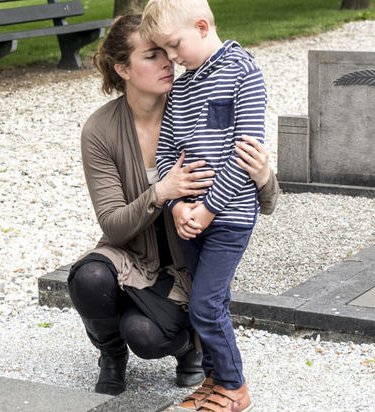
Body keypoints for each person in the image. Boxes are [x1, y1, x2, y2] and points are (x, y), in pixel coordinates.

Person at [70, 14, 279, 400]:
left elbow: (266, 202)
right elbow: (113, 226)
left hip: (184, 262)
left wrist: (264, 174)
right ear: (123, 69)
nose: (168, 61)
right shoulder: (100, 129)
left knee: (145, 334)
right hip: (130, 254)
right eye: (152, 55)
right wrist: (161, 192)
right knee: (89, 278)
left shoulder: (190, 102)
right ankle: (111, 356)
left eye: (168, 50)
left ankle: (189, 349)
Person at [140, 0, 268, 410]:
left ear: (200, 27)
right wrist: (177, 206)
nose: (171, 57)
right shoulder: (182, 87)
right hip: (189, 219)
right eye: (163, 50)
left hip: (228, 216)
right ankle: (213, 380)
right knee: (211, 301)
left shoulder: (243, 72)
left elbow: (245, 156)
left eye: (174, 45)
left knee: (205, 305)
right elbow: (165, 154)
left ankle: (234, 388)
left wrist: (208, 208)